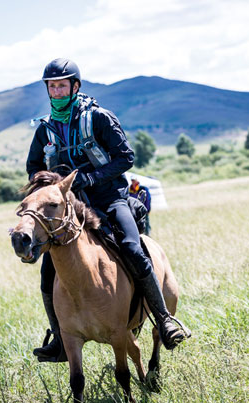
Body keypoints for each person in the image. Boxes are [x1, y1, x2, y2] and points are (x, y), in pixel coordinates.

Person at [26, 58, 190, 360]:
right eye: (52, 86)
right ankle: (60, 340)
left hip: (110, 199)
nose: (57, 91)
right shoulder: (44, 130)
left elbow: (125, 157)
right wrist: (49, 186)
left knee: (131, 246)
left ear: (75, 86)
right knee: (49, 269)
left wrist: (91, 177)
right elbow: (33, 168)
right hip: (69, 211)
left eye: (63, 85)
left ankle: (164, 319)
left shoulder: (98, 117)